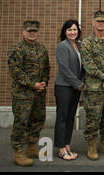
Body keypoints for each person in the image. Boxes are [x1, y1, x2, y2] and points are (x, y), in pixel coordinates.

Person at [7, 20, 50, 167]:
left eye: (35, 31)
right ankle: (18, 151)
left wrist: (43, 82)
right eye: (29, 31)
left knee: (38, 119)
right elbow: (15, 72)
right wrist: (33, 84)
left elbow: (46, 68)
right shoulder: (17, 49)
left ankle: (32, 147)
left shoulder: (41, 49)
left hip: (39, 93)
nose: (32, 33)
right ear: (23, 32)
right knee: (21, 122)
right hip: (23, 94)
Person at [81, 10, 104, 161]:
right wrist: (103, 76)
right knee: (93, 116)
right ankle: (91, 144)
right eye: (98, 21)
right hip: (94, 87)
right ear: (93, 22)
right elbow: (87, 64)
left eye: (103, 21)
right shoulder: (87, 42)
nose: (100, 23)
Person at [54, 19, 84, 161]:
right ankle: (60, 149)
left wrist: (82, 82)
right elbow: (64, 69)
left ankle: (67, 145)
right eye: (69, 30)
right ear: (65, 32)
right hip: (64, 87)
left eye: (75, 30)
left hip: (76, 87)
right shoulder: (62, 46)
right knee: (62, 118)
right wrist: (77, 83)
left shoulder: (79, 45)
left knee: (71, 117)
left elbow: (82, 66)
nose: (73, 32)